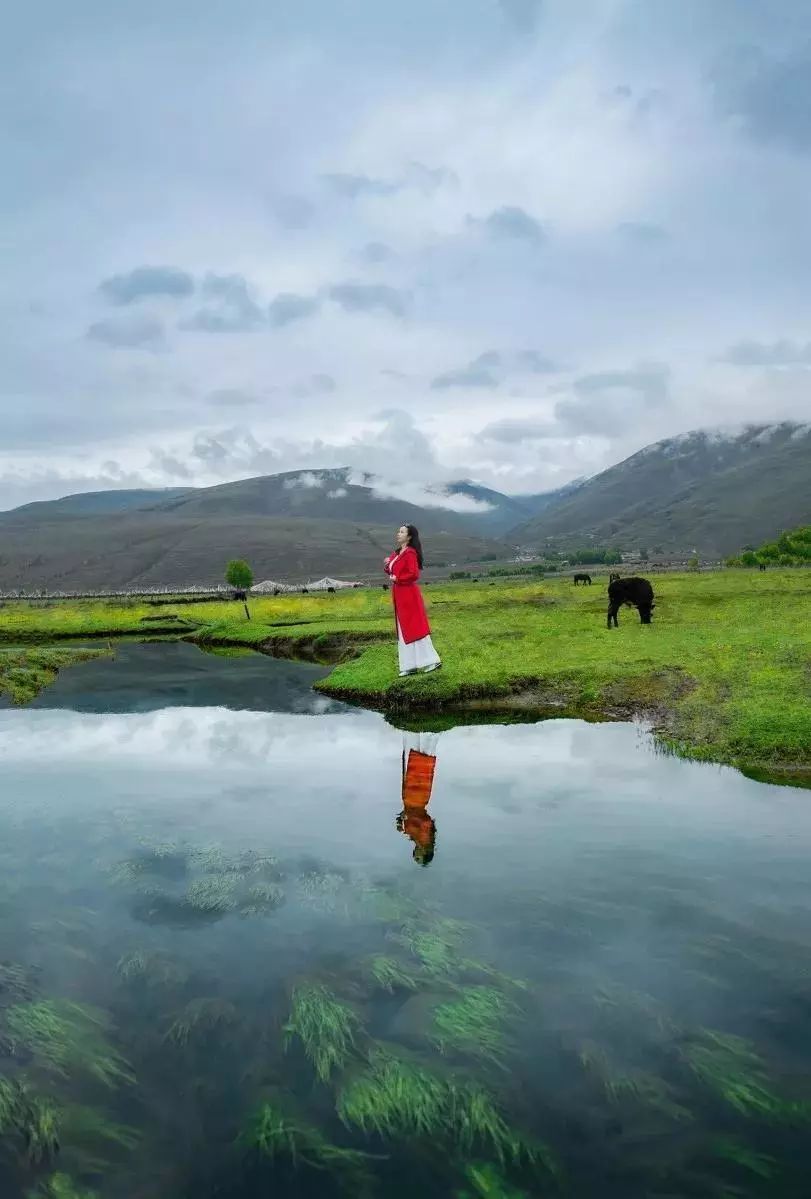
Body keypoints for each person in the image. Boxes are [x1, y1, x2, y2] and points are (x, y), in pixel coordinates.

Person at [383, 525, 441, 677]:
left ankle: (431, 660)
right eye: (398, 531)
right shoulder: (398, 553)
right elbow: (391, 569)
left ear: (409, 537)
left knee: (415, 626)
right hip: (400, 595)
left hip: (408, 594)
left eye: (402, 532)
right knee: (404, 628)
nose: (398, 534)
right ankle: (409, 665)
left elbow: (413, 574)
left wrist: (398, 579)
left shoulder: (410, 553)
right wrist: (388, 564)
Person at [397, 731, 438, 866]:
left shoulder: (416, 839)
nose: (415, 855)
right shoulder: (425, 839)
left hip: (411, 797)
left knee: (416, 762)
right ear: (424, 853)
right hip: (417, 798)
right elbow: (426, 821)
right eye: (418, 858)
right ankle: (430, 733)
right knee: (423, 764)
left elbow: (404, 820)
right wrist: (408, 818)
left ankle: (419, 731)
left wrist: (401, 823)